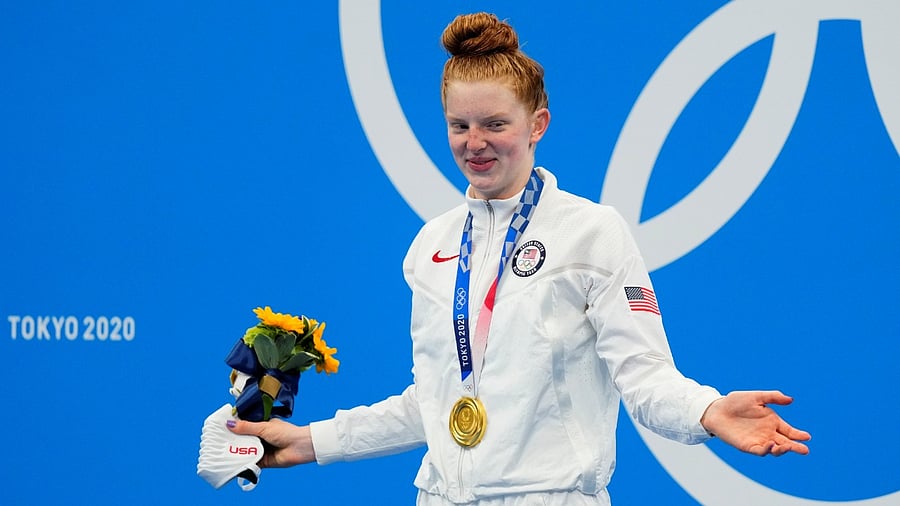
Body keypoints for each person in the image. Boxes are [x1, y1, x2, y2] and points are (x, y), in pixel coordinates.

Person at [227, 12, 811, 505]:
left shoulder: (592, 233)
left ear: (537, 125)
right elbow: (434, 401)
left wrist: (708, 410)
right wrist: (312, 442)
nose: (474, 143)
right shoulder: (431, 247)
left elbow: (645, 377)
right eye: (459, 125)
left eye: (495, 124)